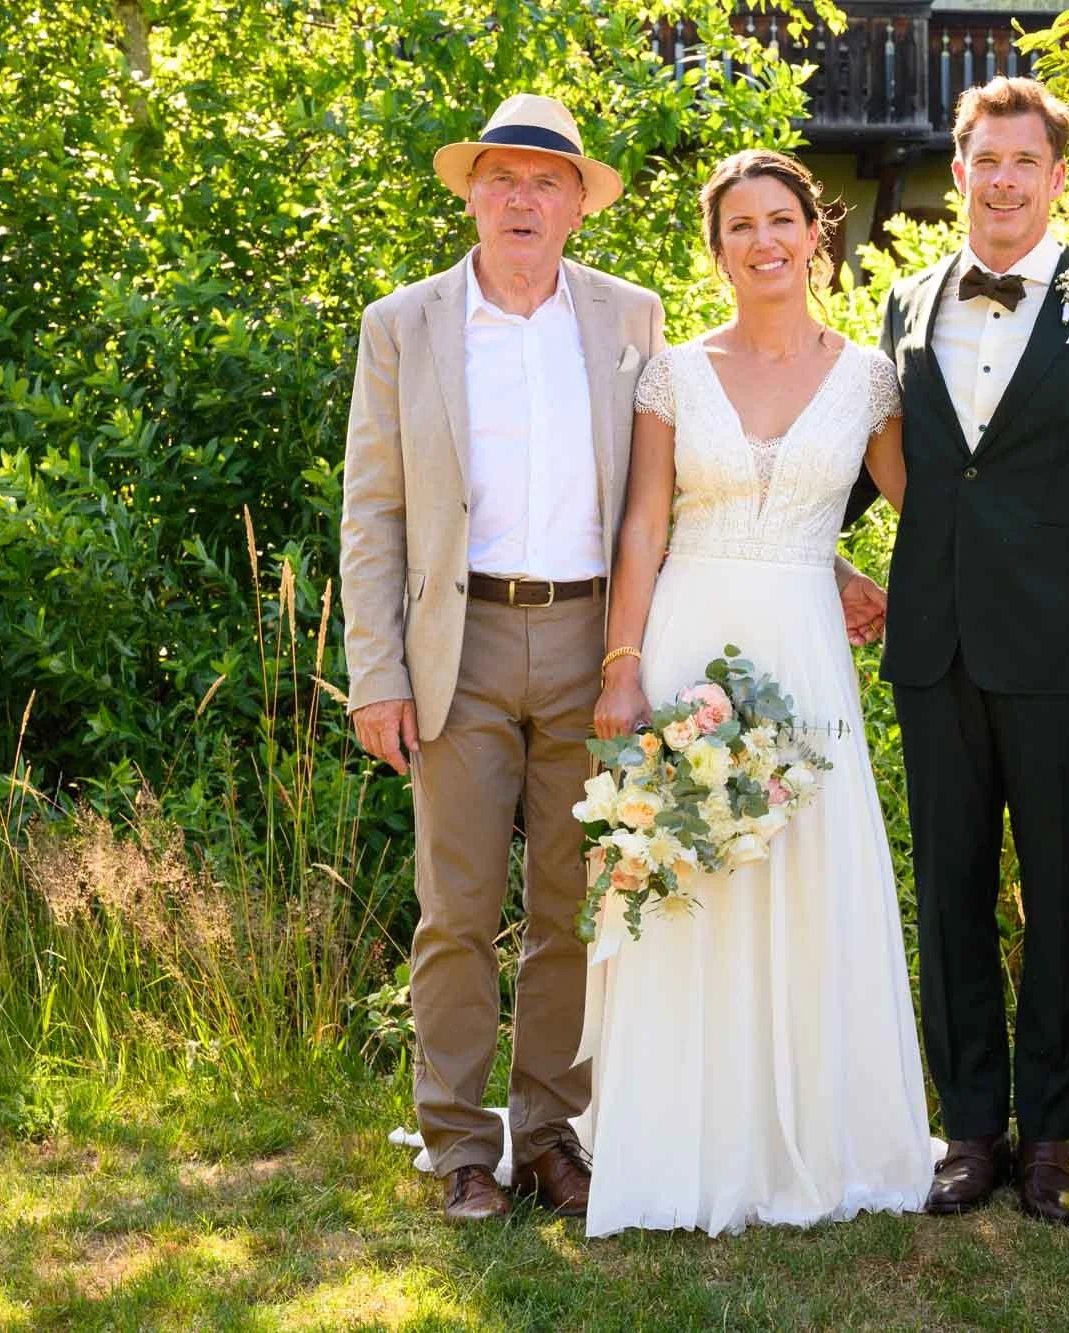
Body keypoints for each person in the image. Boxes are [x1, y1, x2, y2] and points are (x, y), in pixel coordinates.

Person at [340, 96, 884, 1225]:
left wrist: (817, 566)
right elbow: (372, 510)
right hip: (460, 642)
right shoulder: (405, 323)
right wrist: (377, 670)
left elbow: (686, 489)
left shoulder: (628, 320)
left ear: (581, 203)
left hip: (601, 639)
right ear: (472, 192)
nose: (523, 200)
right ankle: (456, 1144)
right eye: (503, 179)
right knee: (454, 904)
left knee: (576, 904)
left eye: (548, 182)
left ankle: (548, 1134)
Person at [579, 150, 930, 1237]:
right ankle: (680, 1137)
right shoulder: (673, 373)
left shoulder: (871, 379)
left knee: (806, 871)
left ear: (815, 235)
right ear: (716, 246)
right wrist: (623, 661)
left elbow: (932, 513)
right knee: (685, 867)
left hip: (808, 650)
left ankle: (811, 1134)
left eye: (782, 219)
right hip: (691, 636)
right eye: (740, 225)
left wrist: (846, 570)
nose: (764, 240)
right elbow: (646, 523)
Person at [855, 77, 1069, 1226]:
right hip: (932, 645)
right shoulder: (899, 304)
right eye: (982, 160)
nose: (1001, 181)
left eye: (1022, 162)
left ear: (1054, 177)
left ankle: (1050, 1138)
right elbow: (861, 462)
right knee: (946, 893)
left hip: (1062, 654)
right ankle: (968, 1133)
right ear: (956, 173)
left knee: (1061, 899)